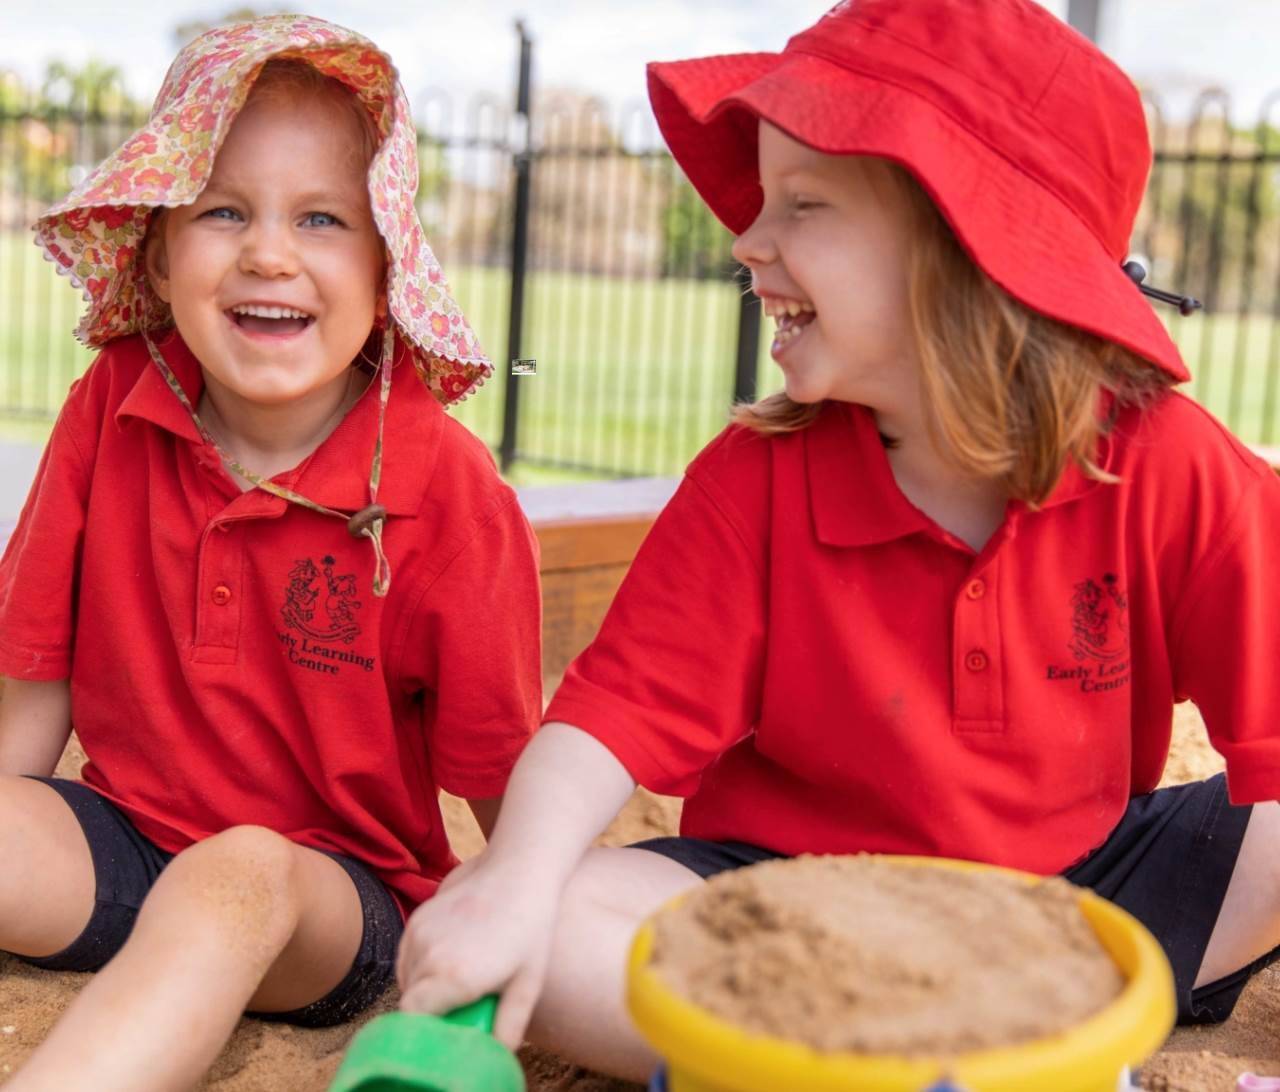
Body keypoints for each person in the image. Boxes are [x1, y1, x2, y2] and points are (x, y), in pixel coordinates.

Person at [395, 0, 1280, 1081]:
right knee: (555, 909)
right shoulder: (754, 480)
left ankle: (877, 1061)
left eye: (801, 206)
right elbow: (606, 723)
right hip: (785, 907)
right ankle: (1002, 1060)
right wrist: (514, 884)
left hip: (1072, 899)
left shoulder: (1164, 465)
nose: (743, 243)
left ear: (965, 249)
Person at [0, 15, 540, 1091]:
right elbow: (32, 683)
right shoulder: (114, 404)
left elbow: (505, 795)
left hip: (329, 906)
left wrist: (525, 927)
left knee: (235, 874)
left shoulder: (446, 487)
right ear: (158, 247)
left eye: (322, 218)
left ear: (389, 267)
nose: (269, 253)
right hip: (123, 849)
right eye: (223, 211)